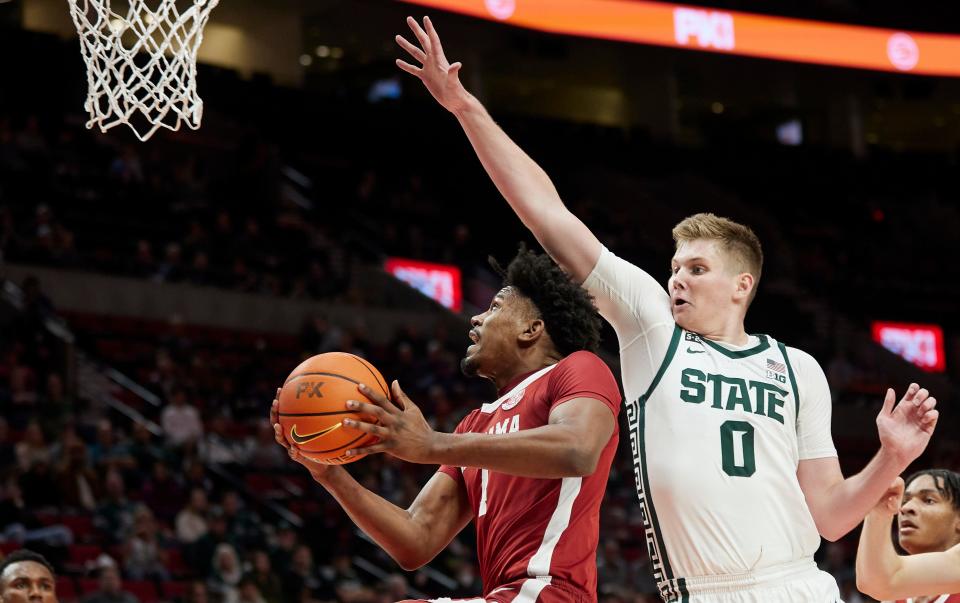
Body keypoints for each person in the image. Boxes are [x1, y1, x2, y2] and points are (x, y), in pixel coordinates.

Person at [393, 16, 940, 602]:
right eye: (674, 267)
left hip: (798, 585)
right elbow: (549, 217)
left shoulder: (799, 368)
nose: (677, 279)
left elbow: (831, 516)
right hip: (700, 592)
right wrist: (464, 108)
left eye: (697, 270)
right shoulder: (655, 331)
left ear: (742, 285)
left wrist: (891, 457)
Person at [272, 247, 622, 602]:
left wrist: (432, 445)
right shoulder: (474, 425)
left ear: (532, 329)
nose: (476, 319)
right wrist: (329, 474)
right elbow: (416, 539)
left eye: (495, 307)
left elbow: (577, 449)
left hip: (550, 593)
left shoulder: (578, 368)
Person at [857, 470, 960, 602]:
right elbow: (876, 581)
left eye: (928, 500)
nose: (905, 508)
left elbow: (882, 580)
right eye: (904, 501)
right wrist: (879, 506)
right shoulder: (892, 597)